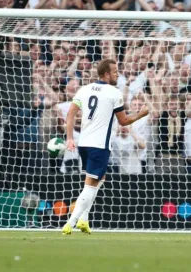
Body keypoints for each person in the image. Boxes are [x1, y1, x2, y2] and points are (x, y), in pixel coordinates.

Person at [62, 59, 149, 235]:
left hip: (84, 144)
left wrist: (70, 138)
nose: (118, 75)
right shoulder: (113, 92)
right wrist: (141, 114)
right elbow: (123, 121)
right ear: (107, 74)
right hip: (99, 145)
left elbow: (71, 114)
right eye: (116, 72)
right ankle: (70, 223)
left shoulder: (84, 89)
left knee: (99, 180)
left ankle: (84, 220)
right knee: (90, 186)